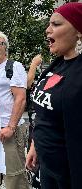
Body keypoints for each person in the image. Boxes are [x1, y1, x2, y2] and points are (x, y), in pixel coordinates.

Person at [26, 3, 82, 189]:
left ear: (79, 32)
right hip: (46, 167)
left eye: (56, 24)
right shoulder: (55, 66)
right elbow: (43, 115)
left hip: (70, 174)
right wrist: (35, 145)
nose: (47, 30)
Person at [0, 30, 29, 189]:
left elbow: (21, 98)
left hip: (9, 130)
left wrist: (11, 127)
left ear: (5, 48)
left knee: (13, 177)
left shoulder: (14, 66)